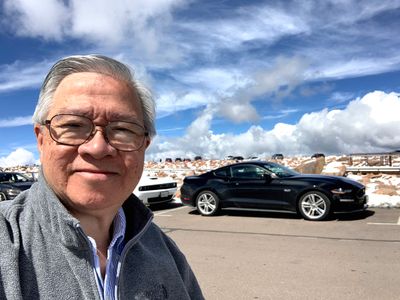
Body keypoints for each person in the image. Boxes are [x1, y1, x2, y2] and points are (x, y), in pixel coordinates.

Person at [0, 54, 204, 300]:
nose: (97, 148)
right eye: (73, 126)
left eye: (122, 130)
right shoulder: (7, 242)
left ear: (144, 147)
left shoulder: (164, 250)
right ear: (41, 140)